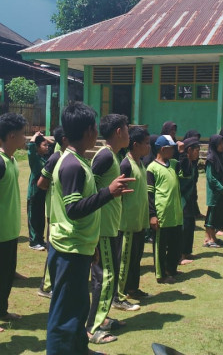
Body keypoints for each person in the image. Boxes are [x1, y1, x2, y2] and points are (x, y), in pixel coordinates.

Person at [46, 103, 134, 355]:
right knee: (64, 313)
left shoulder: (79, 161)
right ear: (88, 131)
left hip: (79, 245)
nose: (97, 131)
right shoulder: (72, 165)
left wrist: (92, 244)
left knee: (78, 307)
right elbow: (73, 209)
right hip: (68, 249)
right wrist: (109, 192)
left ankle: (79, 349)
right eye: (95, 127)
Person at [86, 114, 138, 346]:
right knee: (104, 278)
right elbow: (88, 186)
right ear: (119, 131)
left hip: (111, 226)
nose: (129, 132)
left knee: (109, 276)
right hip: (103, 228)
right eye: (127, 128)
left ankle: (102, 318)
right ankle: (92, 328)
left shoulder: (113, 156)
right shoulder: (105, 156)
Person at [147, 134, 189, 283]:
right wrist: (152, 214)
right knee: (160, 246)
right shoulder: (152, 168)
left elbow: (187, 172)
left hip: (175, 212)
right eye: (171, 149)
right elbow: (149, 194)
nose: (174, 151)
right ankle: (161, 275)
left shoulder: (174, 163)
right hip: (162, 213)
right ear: (163, 149)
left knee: (175, 244)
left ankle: (172, 270)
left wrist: (183, 154)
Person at [116, 126, 151, 302]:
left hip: (139, 220)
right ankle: (119, 294)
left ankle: (133, 288)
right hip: (127, 222)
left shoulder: (141, 163)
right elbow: (118, 194)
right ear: (135, 145)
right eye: (146, 143)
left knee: (136, 258)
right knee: (125, 260)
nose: (149, 147)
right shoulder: (125, 164)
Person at [0, 113, 26, 332]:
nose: (25, 137)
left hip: (9, 231)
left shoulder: (12, 159)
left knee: (6, 275)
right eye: (22, 133)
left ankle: (2, 311)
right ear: (11, 135)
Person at [37, 126, 69, 299]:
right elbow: (41, 182)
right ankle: (46, 286)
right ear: (64, 139)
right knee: (53, 249)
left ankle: (53, 283)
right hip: (53, 210)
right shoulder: (56, 157)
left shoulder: (66, 156)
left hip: (61, 210)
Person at [203, 135, 223, 248]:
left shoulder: (219, 157)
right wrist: (221, 188)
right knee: (211, 215)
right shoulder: (211, 158)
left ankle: (213, 238)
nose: (222, 146)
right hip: (214, 192)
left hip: (220, 192)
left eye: (222, 143)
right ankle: (208, 239)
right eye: (219, 144)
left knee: (216, 215)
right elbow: (211, 178)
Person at [179, 137, 201, 263]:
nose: (198, 153)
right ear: (189, 150)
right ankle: (180, 255)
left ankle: (187, 252)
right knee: (184, 227)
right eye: (196, 150)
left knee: (190, 225)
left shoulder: (192, 163)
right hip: (183, 199)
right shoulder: (183, 163)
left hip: (190, 199)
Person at [27, 130, 49, 250]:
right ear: (37, 147)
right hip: (34, 193)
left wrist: (44, 139)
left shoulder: (43, 159)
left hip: (42, 192)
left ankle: (40, 239)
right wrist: (35, 136)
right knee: (34, 217)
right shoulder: (35, 159)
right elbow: (30, 148)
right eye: (44, 145)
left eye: (47, 145)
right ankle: (33, 242)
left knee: (41, 218)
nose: (47, 147)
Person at [183, 129, 204, 219]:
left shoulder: (195, 150)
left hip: (193, 174)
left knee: (194, 194)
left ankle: (196, 212)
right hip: (187, 175)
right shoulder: (184, 153)